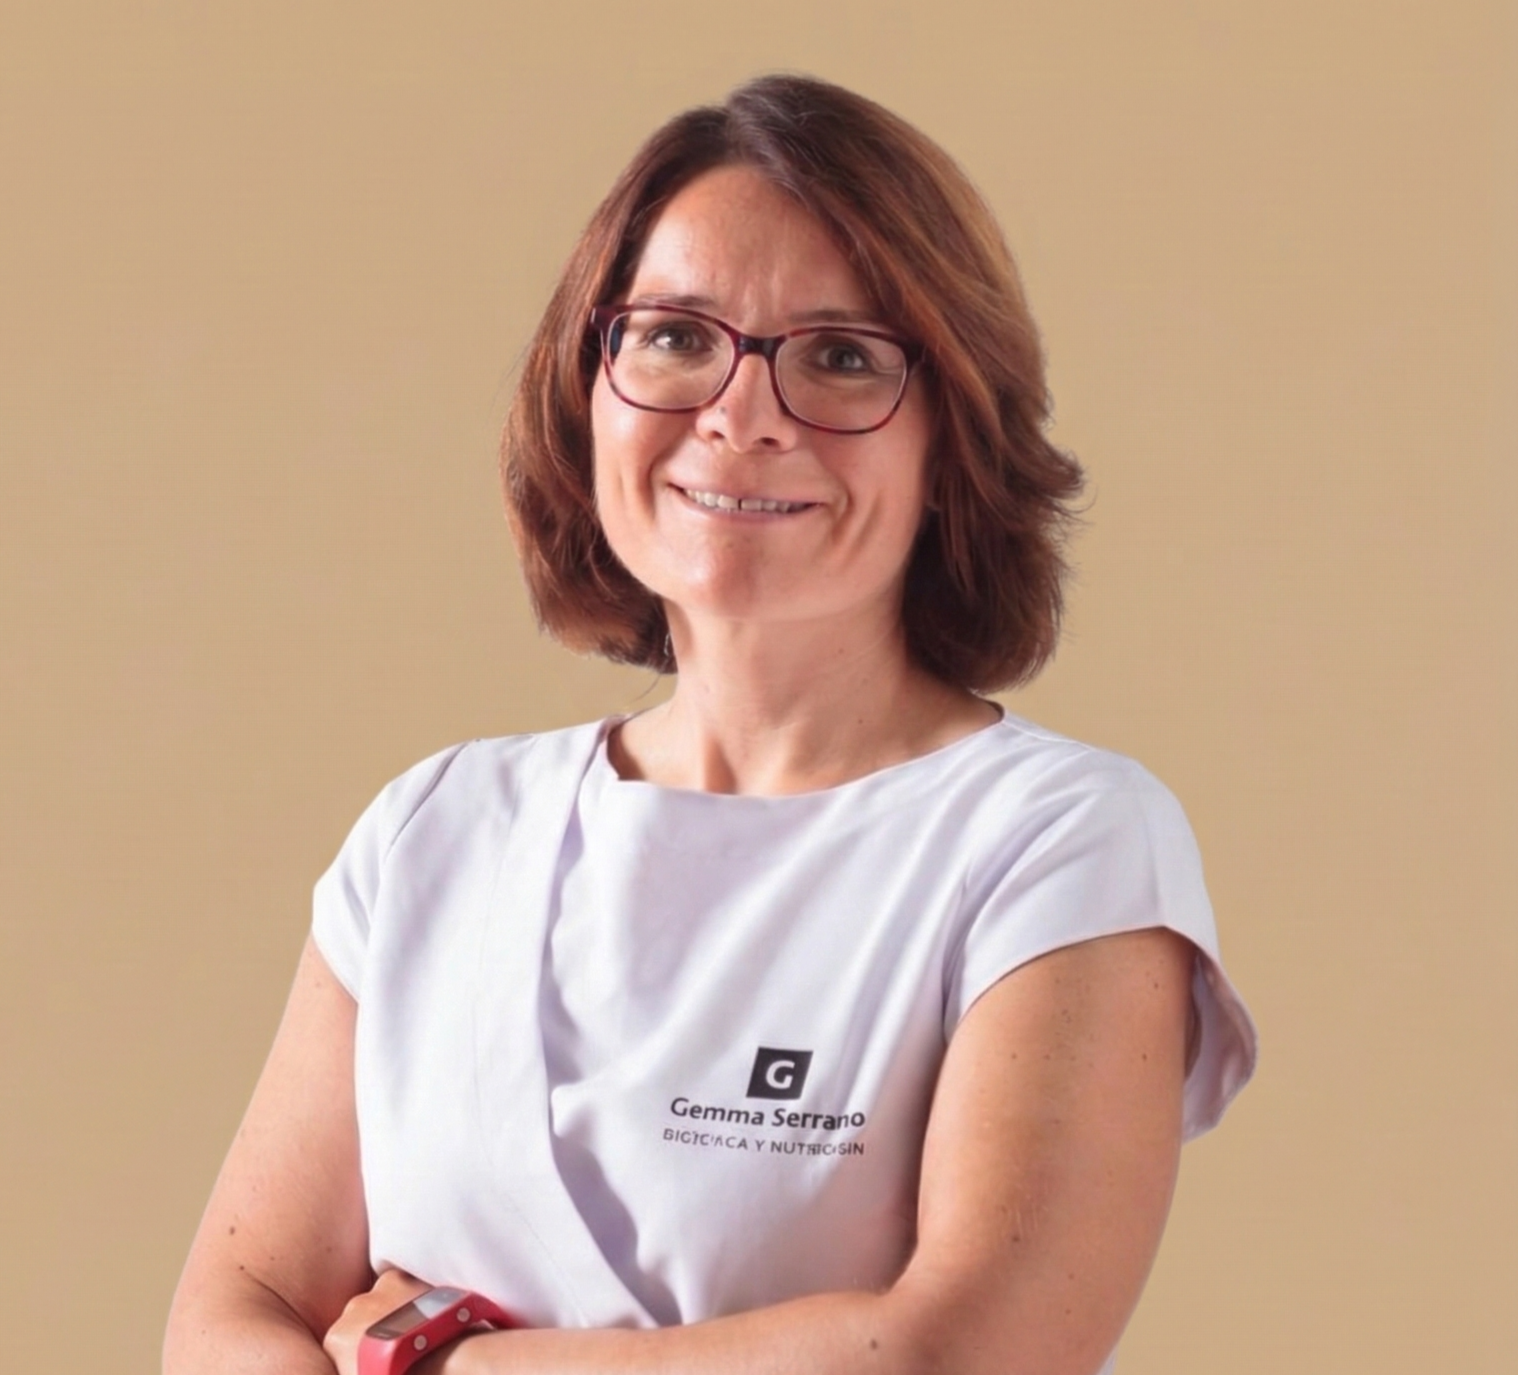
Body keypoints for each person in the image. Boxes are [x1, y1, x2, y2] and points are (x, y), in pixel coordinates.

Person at [165, 74, 1256, 1375]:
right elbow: (225, 1323)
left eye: (840, 356)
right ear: (587, 387)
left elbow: (958, 1353)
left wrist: (440, 1357)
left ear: (951, 438)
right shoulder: (436, 830)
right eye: (677, 336)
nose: (741, 415)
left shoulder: (1059, 841)